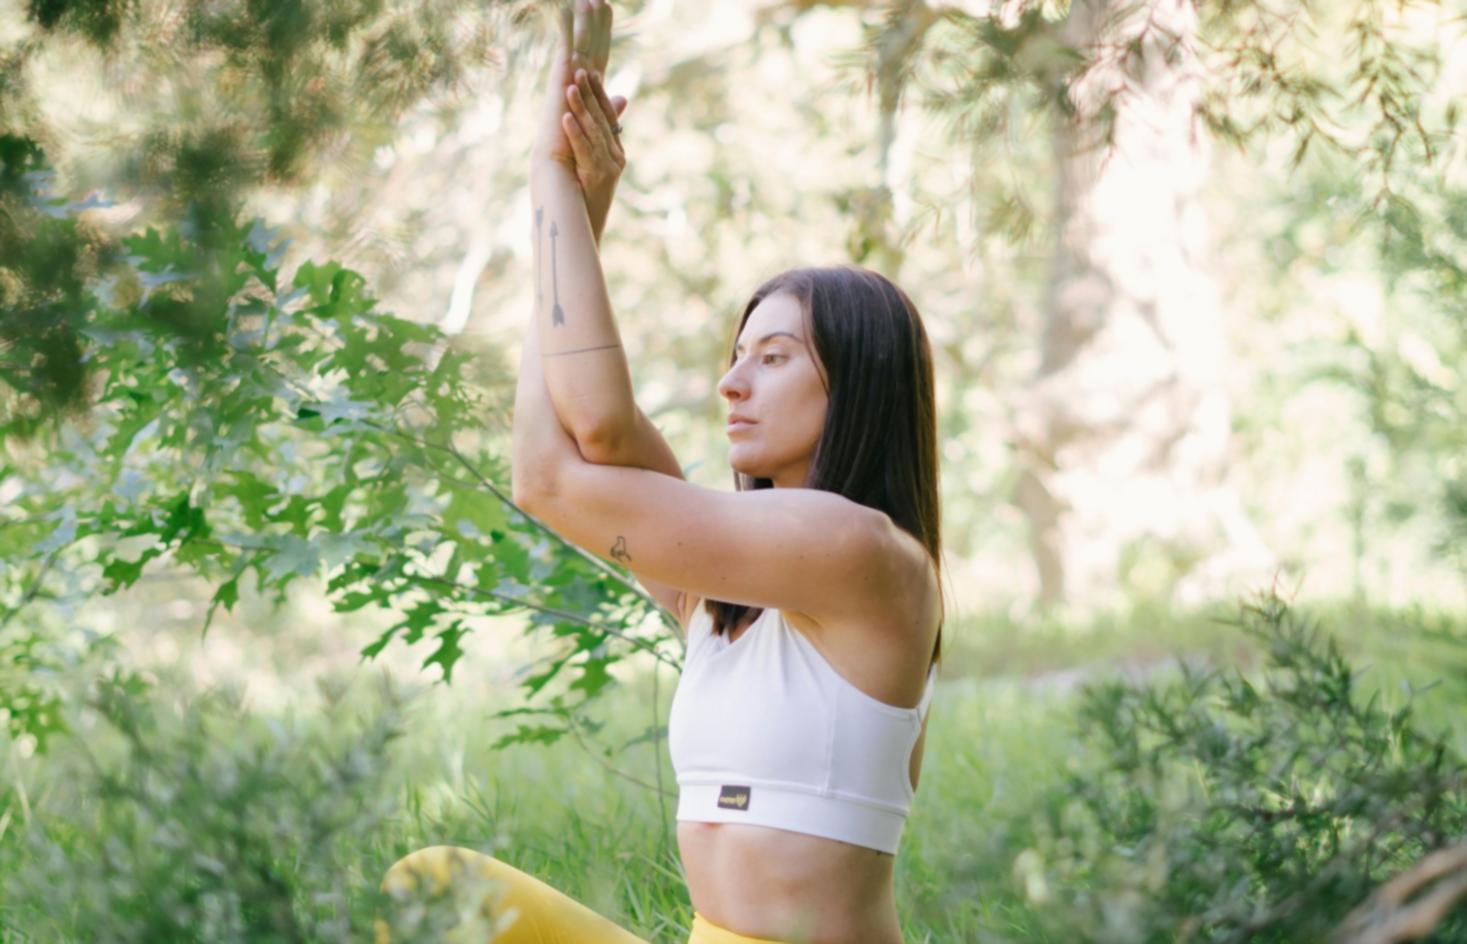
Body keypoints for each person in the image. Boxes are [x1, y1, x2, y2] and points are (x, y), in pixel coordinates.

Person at [379, 2, 944, 942]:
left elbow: (578, 452)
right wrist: (579, 218)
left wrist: (546, 174)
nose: (731, 382)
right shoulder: (722, 597)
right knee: (442, 893)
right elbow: (547, 458)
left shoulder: (860, 552)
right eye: (736, 353)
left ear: (855, 384)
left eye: (773, 358)